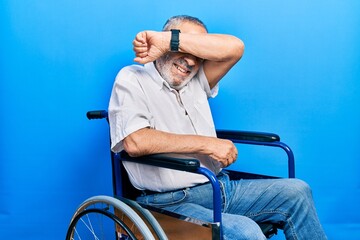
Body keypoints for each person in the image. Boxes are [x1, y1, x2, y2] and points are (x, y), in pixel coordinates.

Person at [108, 15, 327, 240]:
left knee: (297, 192)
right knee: (246, 231)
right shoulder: (132, 78)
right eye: (183, 48)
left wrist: (173, 43)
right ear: (163, 41)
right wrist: (208, 144)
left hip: (219, 189)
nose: (191, 62)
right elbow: (135, 142)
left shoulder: (196, 79)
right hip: (170, 202)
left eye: (198, 53)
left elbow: (236, 48)